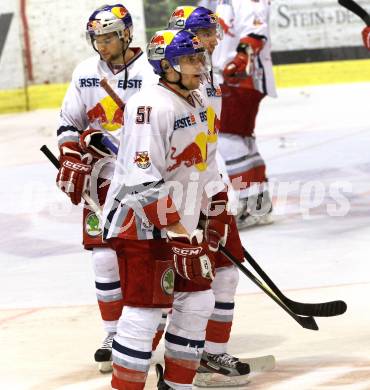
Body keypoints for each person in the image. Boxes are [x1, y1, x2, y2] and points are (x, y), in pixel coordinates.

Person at [102, 28, 239, 390]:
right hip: (141, 225)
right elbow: (141, 180)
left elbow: (204, 162)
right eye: (190, 59)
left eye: (200, 57)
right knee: (145, 312)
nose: (200, 65)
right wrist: (179, 233)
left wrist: (214, 207)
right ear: (166, 67)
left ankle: (177, 385)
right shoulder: (150, 107)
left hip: (182, 224)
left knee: (198, 301)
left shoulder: (195, 100)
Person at [55, 3, 157, 372]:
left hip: (146, 179)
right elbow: (69, 120)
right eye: (97, 38)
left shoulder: (151, 71)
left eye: (109, 36)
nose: (102, 44)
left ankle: (156, 317)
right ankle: (113, 333)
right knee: (103, 255)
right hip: (100, 180)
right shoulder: (85, 73)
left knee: (148, 254)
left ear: (127, 33)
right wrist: (71, 153)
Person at [167, 6, 252, 387]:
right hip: (172, 199)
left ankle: (210, 352)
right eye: (207, 33)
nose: (217, 39)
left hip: (209, 187)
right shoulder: (162, 85)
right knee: (179, 284)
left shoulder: (206, 76)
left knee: (226, 271)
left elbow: (208, 144)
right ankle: (169, 357)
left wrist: (216, 190)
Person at [213, 0, 277, 229]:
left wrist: (240, 61)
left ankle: (252, 206)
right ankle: (259, 205)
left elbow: (255, 33)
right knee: (242, 140)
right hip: (236, 79)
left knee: (228, 139)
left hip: (240, 79)